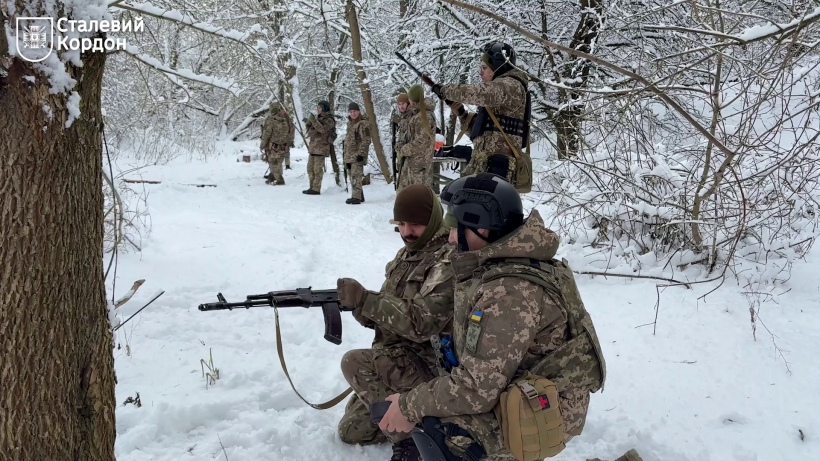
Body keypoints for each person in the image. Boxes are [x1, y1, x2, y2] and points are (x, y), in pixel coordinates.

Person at [377, 173, 607, 461]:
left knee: (443, 434)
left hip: (543, 408)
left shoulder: (509, 291)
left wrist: (409, 406)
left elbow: (477, 388)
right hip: (520, 387)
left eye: (455, 228)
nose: (450, 238)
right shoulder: (505, 261)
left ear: (483, 227)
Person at [336, 184, 455, 461]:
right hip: (398, 360)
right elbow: (388, 315)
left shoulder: (447, 260)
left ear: (433, 220)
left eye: (415, 225)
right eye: (400, 224)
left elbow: (422, 323)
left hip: (430, 365)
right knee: (352, 430)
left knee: (353, 362)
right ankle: (420, 418)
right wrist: (357, 306)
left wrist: (367, 300)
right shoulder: (406, 256)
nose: (406, 232)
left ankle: (410, 441)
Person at [431, 43, 531, 189]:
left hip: (497, 174)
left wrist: (446, 91)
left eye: (484, 68)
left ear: (497, 67)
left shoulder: (511, 86)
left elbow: (479, 92)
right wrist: (462, 114)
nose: (480, 73)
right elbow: (481, 135)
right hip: (482, 169)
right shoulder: (497, 95)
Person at [397, 85, 437, 193]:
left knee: (418, 195)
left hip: (420, 165)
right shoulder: (419, 114)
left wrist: (404, 149)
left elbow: (421, 142)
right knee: (408, 194)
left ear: (413, 99)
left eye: (409, 98)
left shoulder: (423, 116)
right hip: (415, 163)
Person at [303, 100, 337, 195]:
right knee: (310, 168)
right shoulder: (318, 119)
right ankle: (311, 187)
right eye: (317, 108)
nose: (317, 109)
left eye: (319, 108)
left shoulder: (329, 120)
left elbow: (322, 129)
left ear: (324, 108)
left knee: (317, 169)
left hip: (321, 148)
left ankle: (316, 188)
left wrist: (313, 121)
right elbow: (310, 133)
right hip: (313, 148)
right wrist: (308, 124)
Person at [260, 102, 295, 185]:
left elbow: (267, 133)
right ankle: (272, 177)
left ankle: (279, 179)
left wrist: (262, 144)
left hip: (273, 145)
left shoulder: (271, 119)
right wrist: (289, 143)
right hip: (283, 145)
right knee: (278, 162)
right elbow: (291, 131)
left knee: (273, 162)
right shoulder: (285, 118)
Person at [343, 102, 371, 204]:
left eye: (354, 111)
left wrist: (361, 154)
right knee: (352, 176)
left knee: (356, 176)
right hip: (349, 155)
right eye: (351, 112)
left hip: (357, 155)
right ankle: (359, 195)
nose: (353, 114)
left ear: (359, 111)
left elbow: (366, 140)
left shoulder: (363, 124)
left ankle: (356, 197)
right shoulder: (350, 123)